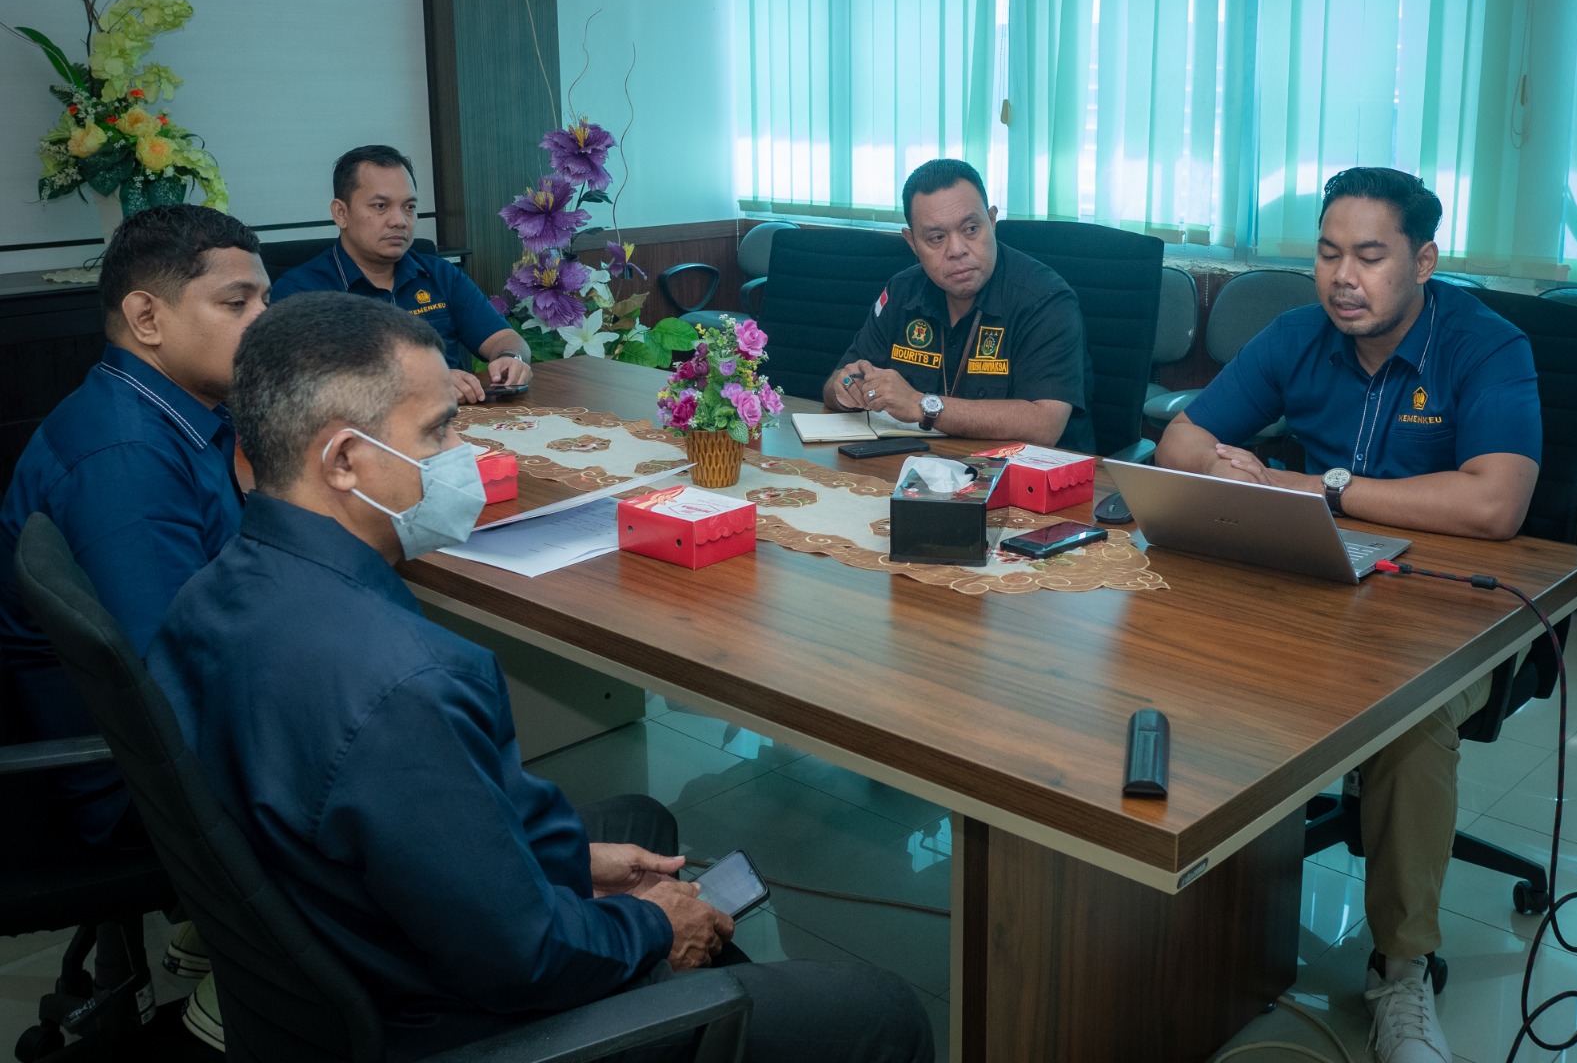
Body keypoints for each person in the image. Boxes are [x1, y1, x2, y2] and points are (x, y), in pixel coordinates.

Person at [147, 292, 934, 1062]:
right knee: (877, 1010)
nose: (466, 453)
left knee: (637, 828)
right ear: (345, 460)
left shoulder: (202, 600)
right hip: (448, 1020)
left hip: (337, 960)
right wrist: (657, 929)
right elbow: (519, 957)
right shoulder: (406, 684)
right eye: (439, 431)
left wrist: (567, 866)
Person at [1154, 167, 1541, 1063]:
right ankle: (1195, 906)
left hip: (1448, 602)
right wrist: (1224, 470)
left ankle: (1402, 974)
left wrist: (1320, 485)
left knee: (1409, 727)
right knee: (1170, 629)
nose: (1343, 277)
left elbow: (1495, 507)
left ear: (1425, 261)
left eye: (1371, 256)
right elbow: (1181, 438)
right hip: (1317, 577)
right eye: (1329, 253)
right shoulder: (1299, 334)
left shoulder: (1487, 347)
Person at [0, 203, 269, 843]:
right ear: (147, 317)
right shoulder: (126, 460)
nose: (265, 322)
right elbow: (173, 683)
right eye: (237, 304)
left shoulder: (171, 410)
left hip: (176, 735)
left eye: (266, 299)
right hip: (141, 787)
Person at [823, 157, 1095, 452]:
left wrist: (921, 405)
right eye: (937, 238)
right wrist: (845, 389)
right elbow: (836, 382)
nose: (956, 250)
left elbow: (1044, 425)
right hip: (915, 467)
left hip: (1029, 481)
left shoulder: (1045, 299)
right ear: (912, 242)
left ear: (991, 221)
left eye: (970, 230)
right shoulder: (901, 291)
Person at [271, 144, 533, 405]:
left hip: (458, 427)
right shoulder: (300, 292)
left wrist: (512, 359)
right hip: (364, 434)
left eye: (408, 207)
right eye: (380, 206)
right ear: (341, 213)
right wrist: (422, 384)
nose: (399, 220)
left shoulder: (441, 274)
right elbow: (305, 385)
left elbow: (504, 338)